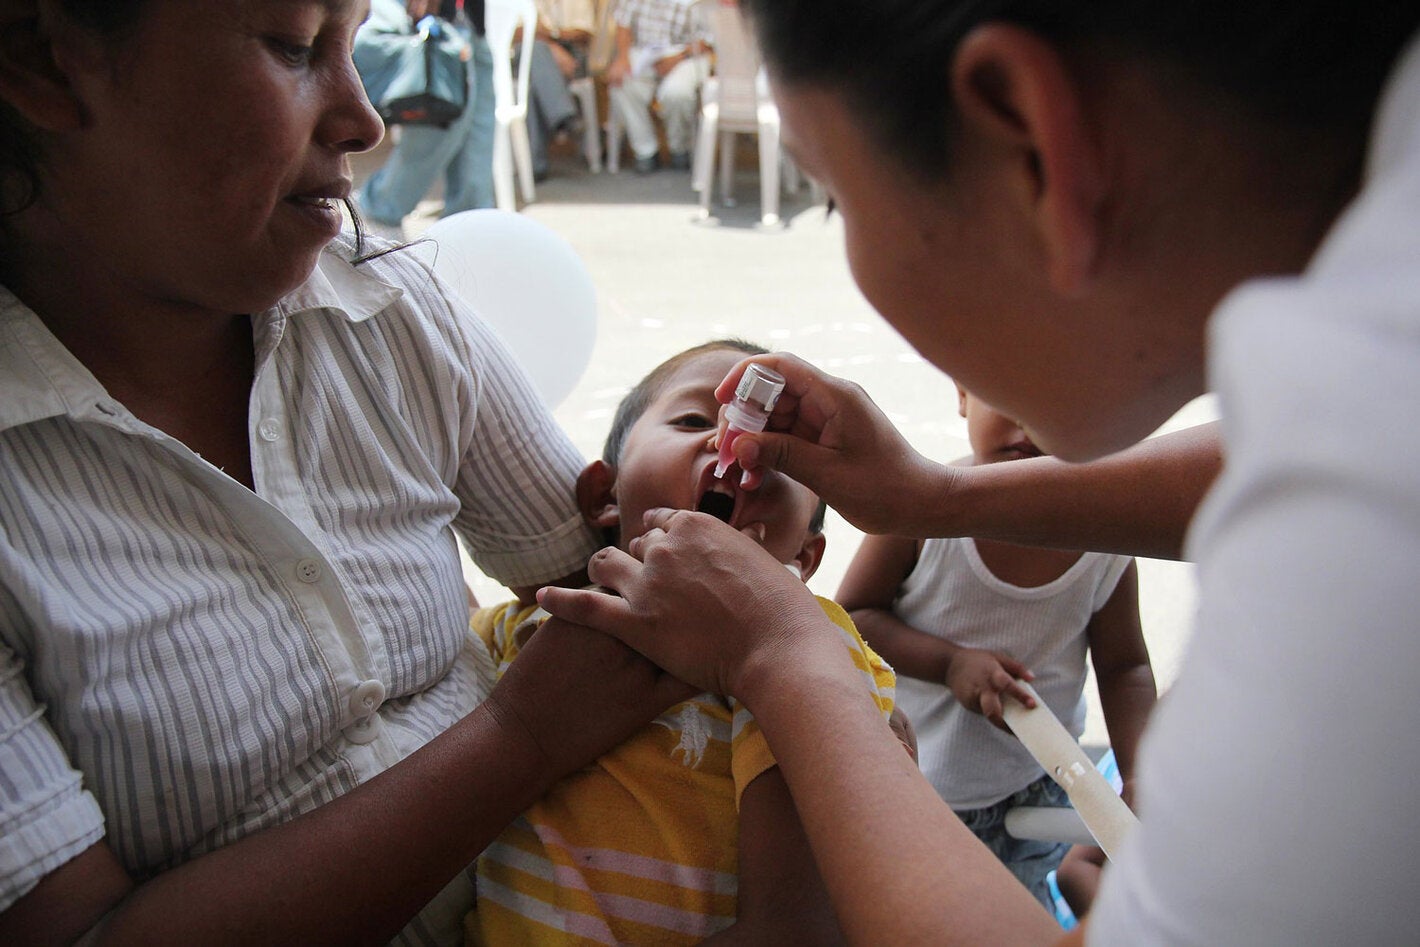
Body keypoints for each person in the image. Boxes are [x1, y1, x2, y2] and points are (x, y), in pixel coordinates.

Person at [537, 1, 1420, 943]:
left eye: (836, 194)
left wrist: (783, 659)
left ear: (1026, 140)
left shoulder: (1362, 545)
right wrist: (934, 497)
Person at [0, 1, 688, 942]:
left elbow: (607, 588)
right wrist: (518, 740)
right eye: (291, 47)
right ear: (45, 63)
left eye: (352, 42)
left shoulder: (384, 305)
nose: (365, 119)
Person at [465, 339, 894, 945]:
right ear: (603, 497)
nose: (735, 444)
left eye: (786, 456)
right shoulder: (533, 627)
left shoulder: (811, 651)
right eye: (693, 420)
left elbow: (795, 927)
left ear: (805, 554)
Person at [836, 383, 1155, 911]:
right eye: (1007, 396)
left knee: (1016, 911)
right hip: (914, 784)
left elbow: (1126, 668)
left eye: (1055, 403)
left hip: (1035, 784)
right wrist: (950, 664)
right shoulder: (920, 514)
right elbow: (854, 617)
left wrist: (1139, 770)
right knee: (915, 912)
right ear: (962, 393)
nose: (1026, 426)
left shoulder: (1107, 544)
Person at [354, 0, 498, 239]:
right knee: (440, 122)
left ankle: (469, 235)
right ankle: (380, 210)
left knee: (475, 159)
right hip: (440, 20)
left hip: (471, 19)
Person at [604, 0, 711, 173]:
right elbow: (623, 25)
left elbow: (708, 39)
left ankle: (679, 148)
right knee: (620, 80)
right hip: (645, 50)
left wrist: (677, 57)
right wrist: (622, 58)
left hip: (687, 54)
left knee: (676, 93)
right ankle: (645, 150)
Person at [524, 0, 596, 180]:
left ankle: (535, 165)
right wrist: (549, 46)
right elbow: (515, 31)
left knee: (533, 86)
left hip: (569, 53)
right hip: (526, 52)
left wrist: (551, 37)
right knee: (537, 52)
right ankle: (564, 116)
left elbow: (584, 33)